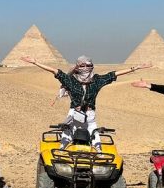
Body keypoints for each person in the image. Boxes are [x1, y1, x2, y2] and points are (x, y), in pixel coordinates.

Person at [22, 55, 152, 150]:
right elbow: (54, 71)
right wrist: (35, 62)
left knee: (98, 146)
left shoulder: (97, 80)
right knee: (65, 141)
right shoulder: (70, 80)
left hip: (90, 116)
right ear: (77, 67)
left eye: (89, 66)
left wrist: (137, 67)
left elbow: (115, 74)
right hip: (74, 115)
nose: (86, 68)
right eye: (82, 66)